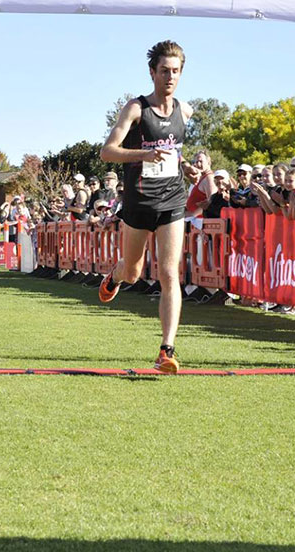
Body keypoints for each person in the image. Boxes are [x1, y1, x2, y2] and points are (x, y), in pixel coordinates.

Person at [97, 40, 198, 374]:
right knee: (134, 272)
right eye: (164, 71)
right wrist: (144, 154)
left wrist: (185, 169)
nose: (170, 77)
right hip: (139, 202)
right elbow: (108, 152)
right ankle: (115, 275)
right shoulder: (136, 109)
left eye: (176, 71)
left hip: (172, 200)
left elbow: (175, 153)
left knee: (170, 272)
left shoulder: (185, 111)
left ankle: (166, 350)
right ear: (152, 72)